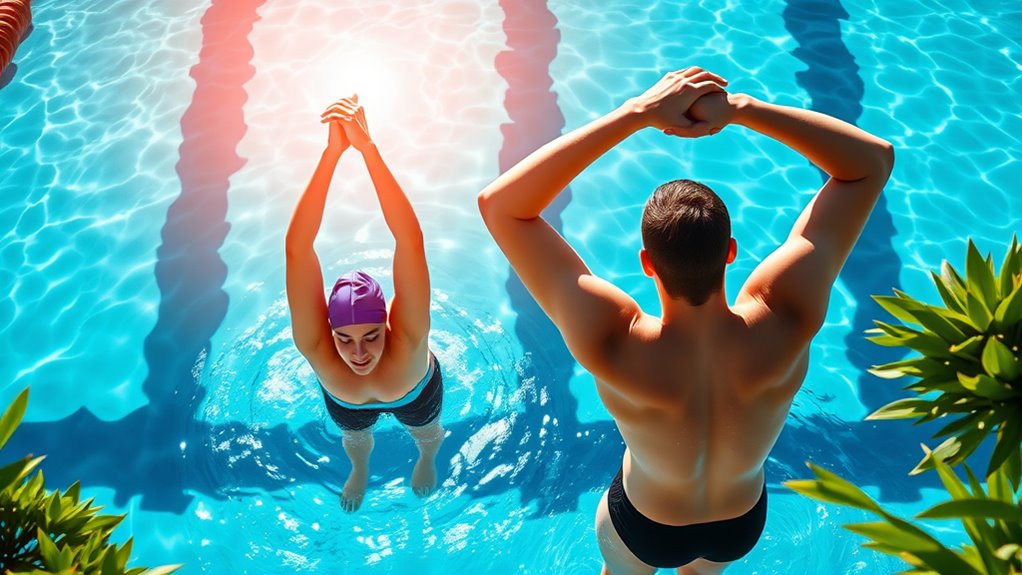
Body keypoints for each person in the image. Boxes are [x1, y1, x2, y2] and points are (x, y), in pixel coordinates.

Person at [477, 66, 894, 574]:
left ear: (647, 264)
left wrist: (636, 115)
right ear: (731, 253)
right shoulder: (786, 314)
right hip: (739, 521)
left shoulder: (612, 338)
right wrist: (739, 109)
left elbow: (502, 207)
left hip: (647, 523)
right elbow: (870, 162)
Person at [285, 95, 444, 512]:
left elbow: (409, 239)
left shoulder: (409, 336)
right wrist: (330, 153)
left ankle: (426, 459)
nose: (358, 354)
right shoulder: (315, 346)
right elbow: (297, 250)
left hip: (417, 394)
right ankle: (360, 469)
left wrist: (367, 150)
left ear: (388, 325)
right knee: (356, 440)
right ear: (328, 332)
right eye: (345, 339)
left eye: (372, 336)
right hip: (347, 407)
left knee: (427, 433)